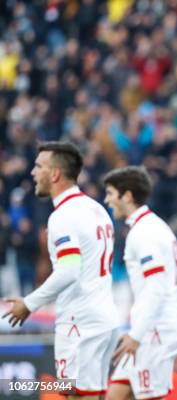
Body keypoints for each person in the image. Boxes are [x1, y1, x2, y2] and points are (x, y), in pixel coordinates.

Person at [2, 141, 119, 399]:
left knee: (78, 395)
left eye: (39, 166)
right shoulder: (96, 209)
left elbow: (69, 271)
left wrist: (29, 304)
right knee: (90, 394)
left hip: (80, 324)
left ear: (55, 174)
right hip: (104, 318)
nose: (33, 172)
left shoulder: (63, 216)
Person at [103, 166, 177, 400]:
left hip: (153, 332)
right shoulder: (159, 227)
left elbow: (156, 287)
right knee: (114, 395)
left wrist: (137, 334)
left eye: (111, 193)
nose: (107, 200)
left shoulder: (143, 233)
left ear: (127, 196)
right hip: (152, 328)